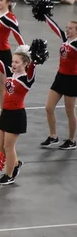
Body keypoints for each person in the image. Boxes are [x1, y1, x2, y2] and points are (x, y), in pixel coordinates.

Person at [0, 46, 35, 185]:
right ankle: (16, 164)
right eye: (13, 61)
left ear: (25, 64)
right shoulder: (10, 73)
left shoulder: (27, 79)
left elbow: (32, 70)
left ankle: (9, 175)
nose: (13, 64)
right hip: (5, 113)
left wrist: (35, 60)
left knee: (8, 146)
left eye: (17, 62)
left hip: (16, 115)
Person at [40, 18, 77, 150]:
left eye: (71, 28)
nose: (67, 30)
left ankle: (72, 140)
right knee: (49, 107)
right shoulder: (66, 40)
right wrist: (45, 16)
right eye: (67, 27)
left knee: (69, 111)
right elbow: (55, 27)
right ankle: (53, 136)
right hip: (60, 77)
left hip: (72, 80)